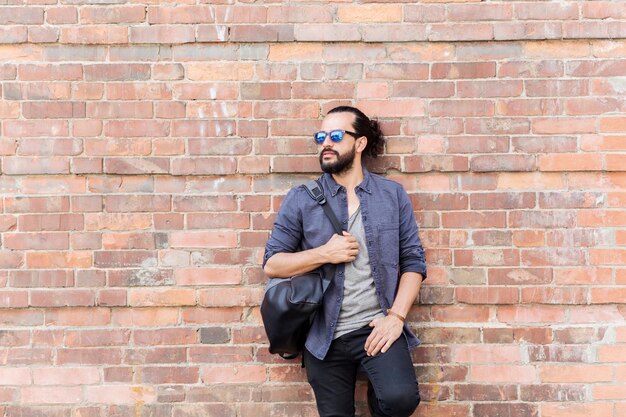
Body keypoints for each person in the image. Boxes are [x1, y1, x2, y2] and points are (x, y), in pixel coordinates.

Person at [263, 106, 427, 417]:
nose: (326, 143)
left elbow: (413, 262)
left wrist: (396, 317)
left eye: (336, 136)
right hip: (324, 334)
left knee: (400, 399)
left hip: (375, 327)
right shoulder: (301, 198)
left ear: (360, 143)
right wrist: (325, 254)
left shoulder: (391, 195)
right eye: (321, 136)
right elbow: (273, 263)